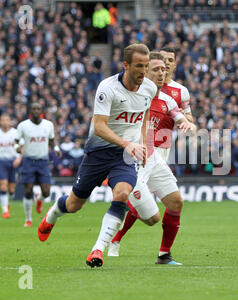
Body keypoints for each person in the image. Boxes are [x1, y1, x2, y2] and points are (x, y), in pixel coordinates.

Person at [37, 43, 155, 269]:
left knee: (122, 193)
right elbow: (99, 126)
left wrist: (143, 143)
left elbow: (145, 112)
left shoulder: (148, 88)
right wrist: (128, 143)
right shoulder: (107, 87)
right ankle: (52, 215)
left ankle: (98, 249)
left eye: (146, 66)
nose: (143, 71)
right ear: (126, 65)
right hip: (98, 153)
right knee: (74, 205)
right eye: (139, 66)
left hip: (124, 155)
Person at [107, 52, 196, 265]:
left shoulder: (173, 96)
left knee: (174, 202)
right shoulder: (131, 93)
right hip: (135, 155)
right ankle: (107, 241)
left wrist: (188, 126)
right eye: (157, 68)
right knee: (140, 208)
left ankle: (164, 255)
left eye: (165, 67)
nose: (162, 71)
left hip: (157, 154)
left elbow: (188, 121)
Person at [15, 103, 60, 227]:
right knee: (28, 190)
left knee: (46, 192)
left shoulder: (48, 124)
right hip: (28, 161)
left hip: (43, 161)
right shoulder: (23, 125)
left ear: (42, 111)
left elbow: (51, 139)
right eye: (33, 108)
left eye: (38, 108)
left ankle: (39, 200)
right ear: (30, 110)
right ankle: (28, 219)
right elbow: (16, 141)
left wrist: (56, 148)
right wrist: (16, 148)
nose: (36, 110)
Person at [157, 47, 194, 163]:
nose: (167, 62)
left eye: (170, 60)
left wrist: (182, 118)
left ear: (175, 65)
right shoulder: (145, 86)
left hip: (164, 145)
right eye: (163, 59)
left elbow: (189, 120)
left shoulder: (181, 90)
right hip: (142, 142)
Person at [0, 114, 19, 219]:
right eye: (3, 120)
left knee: (11, 190)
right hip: (1, 162)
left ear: (10, 121)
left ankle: (8, 204)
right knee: (3, 185)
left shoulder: (15, 133)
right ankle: (5, 211)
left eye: (7, 120)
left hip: (13, 161)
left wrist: (19, 158)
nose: (5, 122)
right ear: (0, 122)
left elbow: (21, 146)